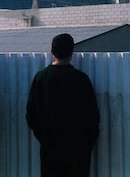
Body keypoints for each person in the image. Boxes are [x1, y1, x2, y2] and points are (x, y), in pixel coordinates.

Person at [26, 33, 100, 177]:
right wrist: (86, 143)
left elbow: (31, 115)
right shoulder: (81, 79)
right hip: (77, 152)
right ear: (72, 52)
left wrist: (44, 138)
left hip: (50, 150)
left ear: (52, 51)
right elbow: (93, 117)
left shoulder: (41, 78)